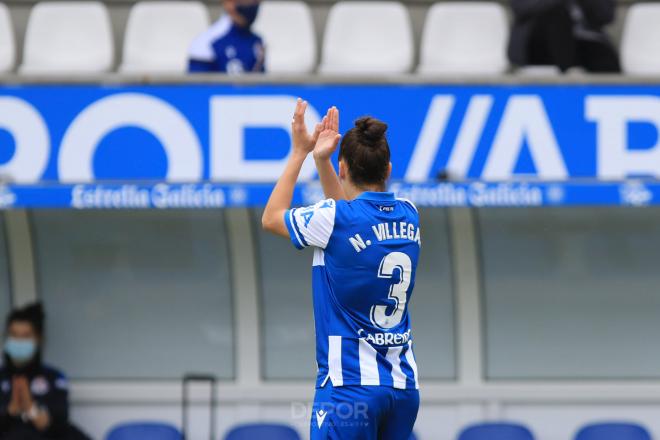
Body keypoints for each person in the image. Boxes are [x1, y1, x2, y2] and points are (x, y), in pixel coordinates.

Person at [262, 100, 421, 439]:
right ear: (388, 169)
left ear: (344, 168)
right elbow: (349, 217)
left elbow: (272, 217)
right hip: (402, 388)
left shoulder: (335, 221)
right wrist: (323, 161)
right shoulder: (409, 214)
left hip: (349, 389)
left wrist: (300, 153)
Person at [0, 303, 89, 440]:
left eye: (25, 336)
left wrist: (31, 408)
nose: (18, 341)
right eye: (14, 335)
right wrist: (11, 411)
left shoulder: (53, 378)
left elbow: (60, 421)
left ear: (38, 339)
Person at [509, 0, 621, 73]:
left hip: (584, 38)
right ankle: (567, 78)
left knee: (604, 58)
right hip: (540, 40)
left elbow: (606, 15)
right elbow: (520, 8)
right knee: (558, 14)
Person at [188, 0, 265, 74]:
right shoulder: (207, 43)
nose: (254, 3)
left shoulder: (257, 41)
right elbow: (197, 85)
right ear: (229, 3)